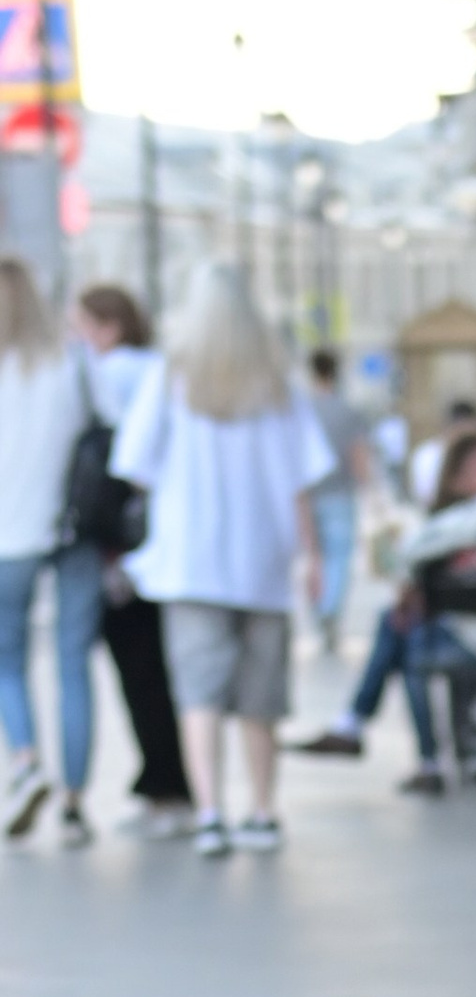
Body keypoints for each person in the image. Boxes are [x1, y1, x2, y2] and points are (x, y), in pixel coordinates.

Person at [112, 260, 333, 856]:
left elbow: (134, 464)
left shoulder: (172, 375)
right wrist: (312, 555)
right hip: (263, 559)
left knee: (198, 692)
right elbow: (300, 478)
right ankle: (262, 810)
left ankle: (209, 812)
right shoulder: (277, 382)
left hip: (189, 559)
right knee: (261, 695)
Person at [296, 416, 476, 793]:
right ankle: (360, 726)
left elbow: (419, 545)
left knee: (409, 637)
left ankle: (391, 742)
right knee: (402, 626)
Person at [70, 282, 191, 832]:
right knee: (164, 667)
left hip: (125, 542)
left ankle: (166, 787)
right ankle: (173, 781)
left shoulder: (111, 374)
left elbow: (117, 468)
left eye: (83, 327)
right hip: (167, 539)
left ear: (109, 327)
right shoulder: (162, 369)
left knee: (140, 669)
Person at [0, 256, 101, 847]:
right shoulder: (72, 361)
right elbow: (111, 432)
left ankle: (26, 759)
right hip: (73, 531)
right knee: (72, 666)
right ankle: (73, 803)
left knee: (8, 663)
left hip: (5, 537)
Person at [304, 347, 371, 654]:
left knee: (313, 557)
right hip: (340, 493)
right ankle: (330, 609)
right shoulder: (347, 411)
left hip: (305, 495)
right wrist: (371, 490)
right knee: (340, 559)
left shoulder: (302, 410)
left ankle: (320, 610)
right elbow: (358, 456)